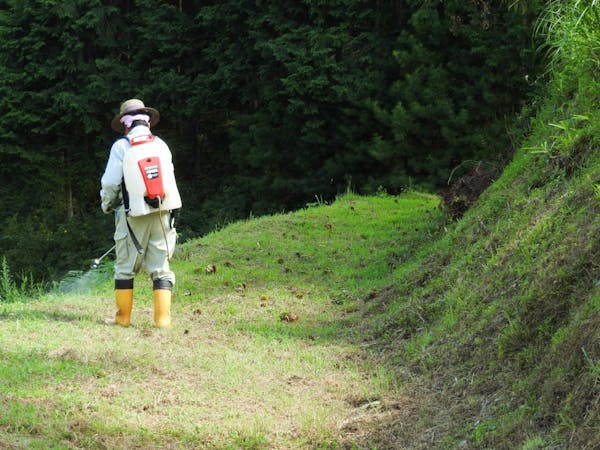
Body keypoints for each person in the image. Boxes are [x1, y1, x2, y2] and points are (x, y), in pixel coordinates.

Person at [100, 99, 181, 328]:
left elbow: (110, 183)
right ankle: (163, 321)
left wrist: (107, 204)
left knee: (125, 267)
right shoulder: (161, 144)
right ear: (147, 122)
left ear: (126, 124)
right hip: (164, 211)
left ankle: (123, 318)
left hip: (131, 216)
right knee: (161, 267)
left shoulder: (121, 146)